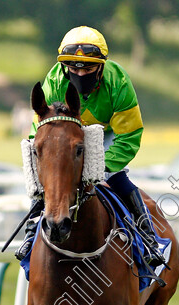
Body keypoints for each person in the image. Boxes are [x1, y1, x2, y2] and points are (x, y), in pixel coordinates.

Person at [15, 26, 161, 264]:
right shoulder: (54, 80)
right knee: (52, 177)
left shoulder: (118, 81)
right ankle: (31, 233)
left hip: (108, 133)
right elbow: (39, 132)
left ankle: (148, 237)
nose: (81, 75)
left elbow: (130, 135)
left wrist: (100, 167)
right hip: (66, 132)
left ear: (102, 66)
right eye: (74, 69)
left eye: (89, 68)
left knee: (116, 176)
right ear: (65, 67)